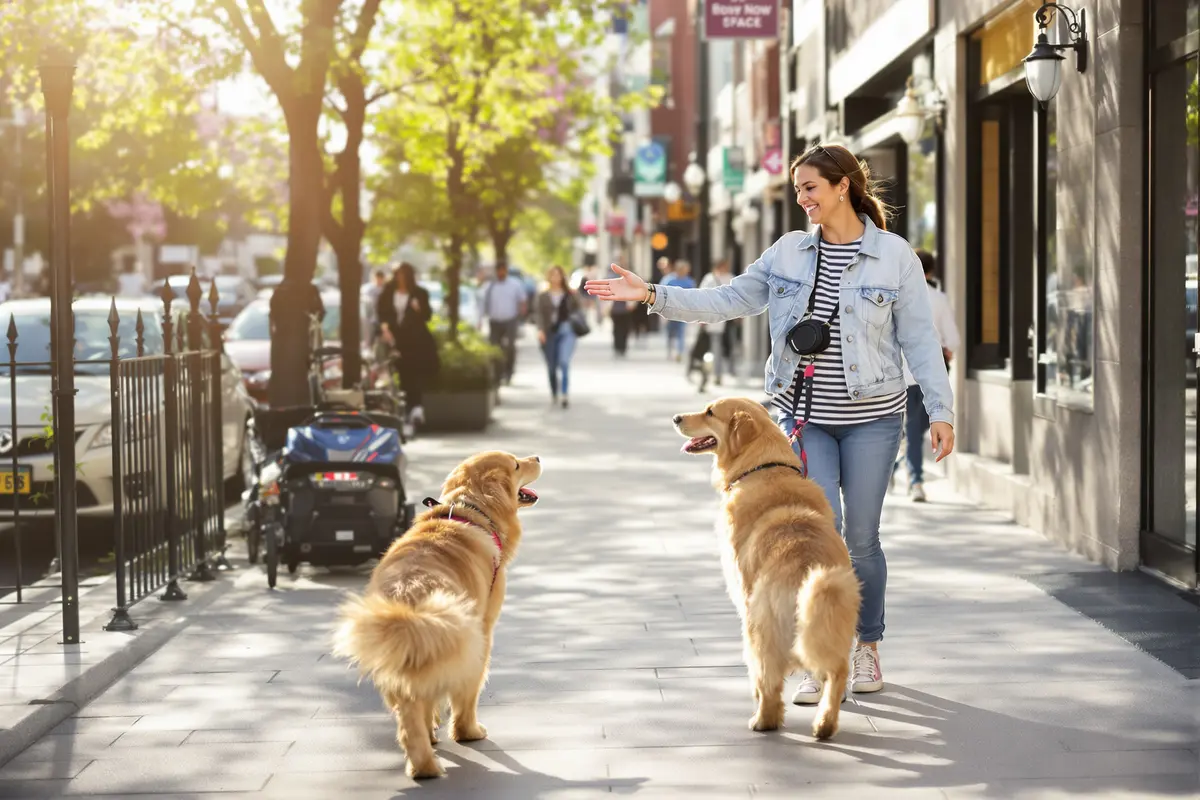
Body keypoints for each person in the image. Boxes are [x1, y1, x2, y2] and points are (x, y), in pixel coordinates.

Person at [585, 143, 954, 703]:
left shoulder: (893, 255)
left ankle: (867, 645)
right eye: (799, 189)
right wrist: (654, 295)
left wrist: (940, 410)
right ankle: (815, 654)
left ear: (843, 187)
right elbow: (729, 299)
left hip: (874, 417)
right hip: (803, 417)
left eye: (810, 187)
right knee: (813, 533)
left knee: (861, 539)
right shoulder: (787, 253)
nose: (802, 198)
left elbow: (920, 339)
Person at [895, 249, 959, 502]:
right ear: (931, 271)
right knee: (916, 429)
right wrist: (946, 350)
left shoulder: (896, 293)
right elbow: (953, 339)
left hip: (902, 375)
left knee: (913, 429)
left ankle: (898, 466)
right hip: (929, 377)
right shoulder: (938, 299)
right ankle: (916, 480)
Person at [377, 262, 439, 429]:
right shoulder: (388, 293)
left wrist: (418, 309)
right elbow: (381, 313)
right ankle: (402, 408)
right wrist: (384, 329)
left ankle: (416, 407)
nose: (401, 279)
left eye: (404, 275)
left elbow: (427, 316)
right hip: (394, 339)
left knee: (413, 373)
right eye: (398, 275)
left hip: (414, 341)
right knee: (397, 373)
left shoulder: (420, 293)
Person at [535, 265, 581, 408]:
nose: (555, 277)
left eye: (558, 274)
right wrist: (540, 330)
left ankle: (564, 394)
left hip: (567, 331)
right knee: (551, 367)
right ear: (549, 277)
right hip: (549, 333)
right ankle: (554, 392)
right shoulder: (543, 296)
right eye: (553, 274)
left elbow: (578, 310)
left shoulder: (570, 294)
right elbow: (538, 314)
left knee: (564, 362)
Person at [481, 263, 527, 384]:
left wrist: (521, 316)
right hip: (494, 321)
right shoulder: (490, 286)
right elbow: (483, 303)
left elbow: (522, 301)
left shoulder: (515, 284)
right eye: (499, 270)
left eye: (503, 270)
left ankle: (509, 371)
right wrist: (481, 319)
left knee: (510, 346)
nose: (501, 273)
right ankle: (497, 373)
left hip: (510, 320)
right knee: (495, 348)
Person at [699, 258, 735, 385]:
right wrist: (702, 317)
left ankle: (729, 370)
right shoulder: (709, 279)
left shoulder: (731, 278)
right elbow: (702, 297)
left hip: (730, 319)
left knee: (730, 346)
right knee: (716, 348)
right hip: (715, 320)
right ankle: (716, 374)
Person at [662, 260, 695, 361]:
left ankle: (679, 353)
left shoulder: (689, 282)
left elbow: (693, 297)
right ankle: (669, 351)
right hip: (670, 311)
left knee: (681, 333)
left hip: (683, 312)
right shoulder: (669, 280)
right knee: (670, 333)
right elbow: (662, 295)